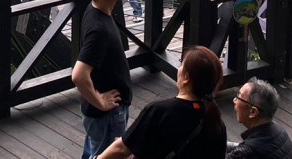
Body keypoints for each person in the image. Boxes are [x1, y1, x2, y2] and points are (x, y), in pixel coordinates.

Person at [96, 46, 228, 159]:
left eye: (182, 64)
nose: (179, 67)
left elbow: (122, 149)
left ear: (186, 78)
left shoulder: (160, 111)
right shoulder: (216, 123)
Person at [72, 0, 132, 159]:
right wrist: (100, 102)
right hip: (107, 115)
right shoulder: (99, 30)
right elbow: (79, 75)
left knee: (93, 151)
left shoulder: (94, 9)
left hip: (103, 113)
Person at [227, 78, 292, 158]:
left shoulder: (247, 152)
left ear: (253, 112)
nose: (234, 100)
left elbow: (246, 150)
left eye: (239, 97)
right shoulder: (280, 132)